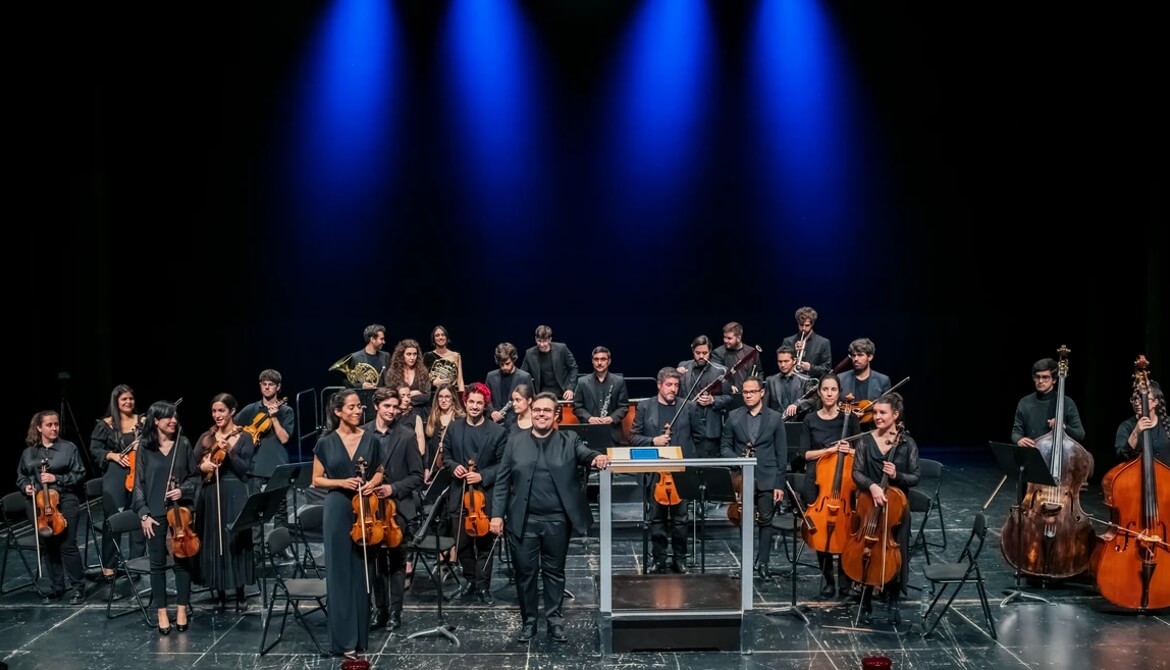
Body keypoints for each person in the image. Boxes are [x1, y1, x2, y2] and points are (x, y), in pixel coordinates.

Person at [490, 392, 611, 643]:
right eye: (537, 410)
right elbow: (502, 482)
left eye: (546, 410)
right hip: (523, 522)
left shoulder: (569, 439)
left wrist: (596, 457)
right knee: (525, 573)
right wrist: (496, 516)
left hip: (557, 521)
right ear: (530, 412)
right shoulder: (514, 441)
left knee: (554, 572)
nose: (541, 414)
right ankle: (529, 622)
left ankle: (555, 621)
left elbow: (585, 453)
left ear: (556, 414)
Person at [311, 389, 383, 661]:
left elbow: (379, 470)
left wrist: (372, 484)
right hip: (338, 509)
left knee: (361, 570)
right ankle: (343, 641)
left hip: (364, 508)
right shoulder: (326, 442)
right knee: (340, 574)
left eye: (359, 407)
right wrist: (342, 482)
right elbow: (317, 479)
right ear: (337, 412)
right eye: (351, 407)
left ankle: (360, 636)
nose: (357, 411)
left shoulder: (372, 439)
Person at [130, 400, 199, 634]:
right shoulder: (145, 449)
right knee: (157, 565)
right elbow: (137, 484)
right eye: (168, 417)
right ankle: (161, 611)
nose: (173, 420)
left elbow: (195, 477)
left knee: (183, 560)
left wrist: (184, 490)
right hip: (155, 515)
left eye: (175, 416)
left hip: (180, 513)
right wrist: (143, 513)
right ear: (156, 421)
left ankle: (181, 609)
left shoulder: (184, 444)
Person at [851, 392, 919, 624]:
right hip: (870, 503)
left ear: (895, 415)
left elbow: (915, 477)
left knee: (896, 550)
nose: (877, 417)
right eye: (876, 413)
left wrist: (896, 475)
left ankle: (893, 599)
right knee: (866, 548)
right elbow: (856, 472)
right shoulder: (865, 441)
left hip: (896, 510)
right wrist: (872, 486)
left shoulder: (907, 443)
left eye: (882, 413)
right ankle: (866, 594)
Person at [630, 367, 702, 573]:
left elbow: (699, 436)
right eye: (669, 385)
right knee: (656, 518)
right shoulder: (645, 407)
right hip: (655, 472)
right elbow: (633, 437)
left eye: (676, 385)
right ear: (659, 385)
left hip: (681, 471)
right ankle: (659, 559)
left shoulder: (688, 407)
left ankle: (680, 559)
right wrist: (654, 440)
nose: (673, 389)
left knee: (681, 519)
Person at [364, 388, 423, 630]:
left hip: (398, 509)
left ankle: (395, 612)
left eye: (394, 407)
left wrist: (393, 489)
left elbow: (417, 476)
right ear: (376, 405)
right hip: (370, 511)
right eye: (386, 406)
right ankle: (381, 609)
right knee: (376, 563)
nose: (391, 411)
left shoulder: (407, 435)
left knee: (397, 563)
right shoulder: (363, 433)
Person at [444, 383, 508, 605]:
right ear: (465, 402)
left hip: (484, 497)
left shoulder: (498, 432)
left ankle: (483, 586)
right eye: (471, 402)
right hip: (458, 494)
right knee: (461, 545)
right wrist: (454, 467)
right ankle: (471, 580)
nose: (474, 406)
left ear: (485, 405)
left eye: (479, 403)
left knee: (484, 545)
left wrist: (483, 476)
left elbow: (503, 465)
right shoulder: (453, 428)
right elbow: (447, 456)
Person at [799, 373, 860, 597]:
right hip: (817, 480)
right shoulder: (810, 420)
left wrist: (848, 449)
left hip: (844, 482)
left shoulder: (850, 418)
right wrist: (830, 450)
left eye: (833, 390)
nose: (829, 394)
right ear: (819, 392)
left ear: (838, 392)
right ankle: (828, 581)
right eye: (825, 389)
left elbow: (860, 452)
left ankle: (845, 582)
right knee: (821, 531)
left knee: (844, 530)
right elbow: (805, 454)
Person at [193, 393, 256, 613]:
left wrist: (230, 451)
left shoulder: (245, 437)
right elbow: (193, 467)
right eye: (214, 411)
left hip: (235, 490)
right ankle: (219, 593)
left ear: (232, 411)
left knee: (235, 540)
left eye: (221, 411)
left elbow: (245, 470)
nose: (217, 415)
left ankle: (239, 592)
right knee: (214, 541)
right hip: (211, 493)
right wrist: (203, 467)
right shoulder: (206, 437)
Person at [17, 410, 87, 605]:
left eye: (56, 424)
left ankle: (78, 587)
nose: (54, 428)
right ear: (39, 428)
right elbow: (21, 476)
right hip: (39, 505)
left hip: (65, 500)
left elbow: (80, 474)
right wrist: (26, 486)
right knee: (48, 546)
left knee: (67, 544)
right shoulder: (29, 453)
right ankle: (57, 587)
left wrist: (58, 478)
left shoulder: (68, 448)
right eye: (49, 425)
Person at [720, 376, 786, 578]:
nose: (748, 395)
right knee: (744, 521)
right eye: (745, 392)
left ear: (762, 393)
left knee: (766, 521)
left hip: (768, 476)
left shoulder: (775, 418)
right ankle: (746, 565)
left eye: (752, 392)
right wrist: (739, 460)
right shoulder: (734, 416)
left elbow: (781, 453)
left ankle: (763, 564)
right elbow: (724, 447)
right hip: (742, 479)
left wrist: (779, 484)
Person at [87, 384, 145, 583]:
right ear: (116, 402)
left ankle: (136, 564)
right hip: (115, 474)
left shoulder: (142, 422)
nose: (128, 402)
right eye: (124, 399)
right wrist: (111, 455)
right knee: (113, 518)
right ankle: (109, 567)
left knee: (140, 516)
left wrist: (143, 442)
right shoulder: (106, 424)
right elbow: (95, 449)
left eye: (131, 398)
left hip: (138, 473)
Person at [236, 369, 294, 531]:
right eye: (264, 384)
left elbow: (284, 438)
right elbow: (234, 427)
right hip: (255, 465)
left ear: (278, 387)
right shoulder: (251, 409)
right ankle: (256, 550)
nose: (267, 388)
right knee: (254, 509)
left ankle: (281, 547)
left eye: (271, 385)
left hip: (278, 465)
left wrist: (274, 417)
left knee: (281, 508)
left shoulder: (286, 411)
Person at [678, 335, 735, 459]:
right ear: (692, 350)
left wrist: (713, 400)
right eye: (698, 353)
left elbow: (730, 398)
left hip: (710, 429)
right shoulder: (683, 367)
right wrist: (676, 375)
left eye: (705, 353)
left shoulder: (721, 371)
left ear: (710, 352)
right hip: (687, 429)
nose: (701, 356)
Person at [1011, 357, 1086, 447]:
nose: (1040, 381)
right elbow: (1016, 432)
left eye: (1045, 377)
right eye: (1037, 377)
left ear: (1054, 380)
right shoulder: (1024, 402)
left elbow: (1080, 435)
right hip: (1032, 455)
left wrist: (1063, 427)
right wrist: (1019, 439)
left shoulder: (1067, 402)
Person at [573, 346, 629, 446]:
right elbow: (577, 407)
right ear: (592, 361)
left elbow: (624, 406)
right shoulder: (582, 382)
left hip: (612, 434)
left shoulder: (619, 381)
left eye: (603, 359)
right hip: (589, 432)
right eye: (596, 359)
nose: (599, 363)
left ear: (609, 361)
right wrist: (589, 418)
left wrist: (611, 418)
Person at [521, 325, 578, 401]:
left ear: (550, 339)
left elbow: (573, 368)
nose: (541, 344)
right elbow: (523, 375)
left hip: (563, 393)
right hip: (541, 395)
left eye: (544, 341)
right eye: (539, 341)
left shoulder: (562, 349)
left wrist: (570, 388)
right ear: (535, 339)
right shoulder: (529, 353)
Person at [1116, 380, 1168, 461]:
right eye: (1134, 399)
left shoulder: (1167, 423)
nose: (1137, 402)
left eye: (1142, 398)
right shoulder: (1126, 426)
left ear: (1155, 402)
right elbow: (1121, 457)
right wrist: (1135, 432)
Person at [423, 385, 465, 485]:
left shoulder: (460, 419)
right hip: (435, 468)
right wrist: (427, 468)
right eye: (440, 397)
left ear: (453, 398)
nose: (443, 400)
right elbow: (428, 447)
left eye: (447, 397)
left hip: (455, 468)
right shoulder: (433, 418)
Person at [765, 345, 818, 421]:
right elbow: (766, 407)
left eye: (786, 361)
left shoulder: (805, 380)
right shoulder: (770, 381)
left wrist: (797, 405)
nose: (783, 365)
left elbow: (812, 400)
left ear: (794, 361)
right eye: (780, 362)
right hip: (776, 424)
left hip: (799, 424)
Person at [382, 339, 433, 415]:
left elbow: (427, 396)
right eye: (409, 354)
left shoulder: (423, 371)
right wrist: (412, 394)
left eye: (415, 354)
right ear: (402, 355)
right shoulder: (392, 372)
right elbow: (390, 395)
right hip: (398, 411)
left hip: (419, 411)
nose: (412, 358)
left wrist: (405, 399)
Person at [837, 338, 892, 410]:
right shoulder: (841, 378)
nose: (855, 359)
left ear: (870, 357)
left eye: (860, 355)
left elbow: (886, 408)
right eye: (853, 355)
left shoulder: (883, 381)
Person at [781, 306, 834, 378]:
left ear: (812, 324)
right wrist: (794, 351)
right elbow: (783, 365)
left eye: (807, 325)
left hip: (813, 384)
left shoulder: (823, 343)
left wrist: (810, 368)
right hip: (792, 383)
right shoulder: (788, 341)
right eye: (801, 325)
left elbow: (827, 369)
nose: (803, 328)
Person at [487, 342, 534, 423]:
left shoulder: (525, 377)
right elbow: (486, 399)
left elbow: (531, 400)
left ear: (514, 359)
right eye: (501, 364)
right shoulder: (491, 376)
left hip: (518, 422)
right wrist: (492, 412)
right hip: (495, 423)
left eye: (507, 363)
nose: (505, 367)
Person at [712, 322, 758, 392]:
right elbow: (716, 375)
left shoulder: (751, 352)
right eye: (724, 337)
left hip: (748, 394)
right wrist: (728, 386)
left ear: (738, 338)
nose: (725, 340)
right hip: (727, 395)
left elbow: (759, 372)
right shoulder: (718, 353)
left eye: (729, 338)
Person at [344, 324, 390, 389]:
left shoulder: (386, 356)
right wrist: (361, 386)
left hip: (382, 397)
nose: (384, 342)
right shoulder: (355, 357)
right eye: (381, 339)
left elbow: (390, 378)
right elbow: (347, 382)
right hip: (363, 397)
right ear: (372, 339)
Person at [423, 325, 466, 394]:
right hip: (434, 394)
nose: (440, 337)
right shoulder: (427, 356)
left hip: (451, 393)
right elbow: (423, 380)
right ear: (433, 339)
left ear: (446, 337)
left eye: (443, 335)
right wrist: (433, 383)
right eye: (437, 335)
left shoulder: (455, 355)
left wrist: (462, 397)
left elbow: (460, 380)